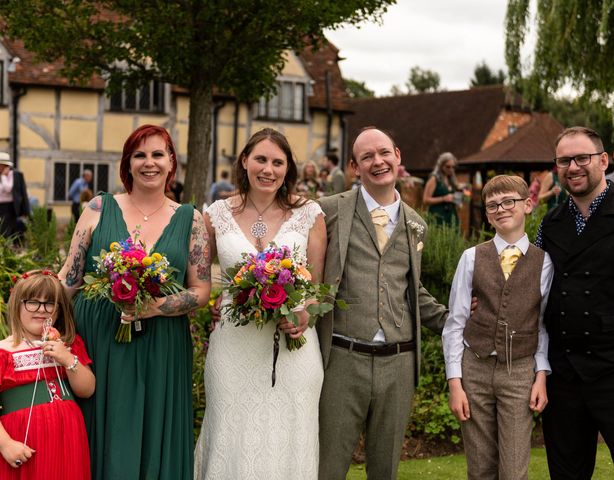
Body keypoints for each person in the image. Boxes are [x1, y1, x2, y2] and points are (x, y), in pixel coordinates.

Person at [58, 124, 211, 480]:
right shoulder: (98, 207)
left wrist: (154, 307)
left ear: (171, 162)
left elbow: (200, 290)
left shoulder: (191, 219)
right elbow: (71, 276)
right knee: (102, 426)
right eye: (139, 155)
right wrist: (37, 321)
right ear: (127, 164)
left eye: (158, 154)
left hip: (161, 344)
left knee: (152, 430)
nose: (149, 163)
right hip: (99, 339)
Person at [317, 127, 448, 479]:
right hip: (343, 359)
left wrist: (458, 322)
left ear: (398, 156)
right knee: (327, 467)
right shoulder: (329, 211)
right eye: (367, 157)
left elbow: (412, 290)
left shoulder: (416, 225)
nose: (378, 162)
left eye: (384, 153)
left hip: (399, 363)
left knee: (385, 470)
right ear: (354, 167)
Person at [196, 128, 326, 479]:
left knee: (289, 436)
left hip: (292, 349)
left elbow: (317, 287)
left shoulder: (309, 214)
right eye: (261, 159)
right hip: (233, 344)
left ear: (288, 169)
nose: (268, 169)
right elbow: (200, 279)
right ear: (244, 161)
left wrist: (302, 315)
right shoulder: (216, 214)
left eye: (277, 162)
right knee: (230, 432)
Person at [535, 126, 614, 479]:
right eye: (564, 161)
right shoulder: (549, 225)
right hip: (563, 377)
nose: (573, 167)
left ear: (604, 161)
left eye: (582, 158)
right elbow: (531, 290)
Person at [443, 175, 553, 479]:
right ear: (487, 213)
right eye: (492, 205)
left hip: (518, 370)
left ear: (527, 205)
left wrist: (540, 375)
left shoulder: (544, 263)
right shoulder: (471, 257)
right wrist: (456, 383)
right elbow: (455, 323)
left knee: (515, 467)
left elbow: (543, 325)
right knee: (479, 467)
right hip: (474, 367)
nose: (501, 208)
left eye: (509, 202)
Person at [0, 269, 95, 479]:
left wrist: (68, 359)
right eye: (32, 302)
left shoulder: (68, 344)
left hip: (67, 437)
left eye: (50, 303)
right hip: (22, 441)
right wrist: (5, 444)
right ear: (17, 305)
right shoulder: (4, 352)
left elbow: (87, 389)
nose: (42, 310)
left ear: (59, 311)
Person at [422, 152, 460, 226]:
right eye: (448, 167)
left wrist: (460, 198)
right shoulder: (434, 179)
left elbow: (455, 196)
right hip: (437, 216)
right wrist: (443, 198)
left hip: (451, 215)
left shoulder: (451, 179)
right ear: (441, 166)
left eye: (453, 167)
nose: (451, 169)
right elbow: (425, 200)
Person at [0, 153, 30, 241]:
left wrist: (3, 176)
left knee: (5, 231)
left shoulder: (13, 175)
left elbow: (8, 188)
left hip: (8, 208)